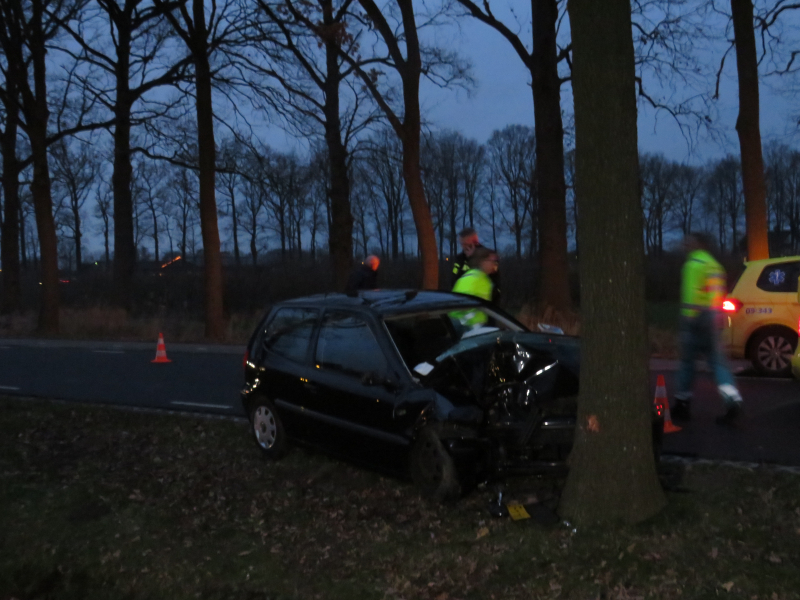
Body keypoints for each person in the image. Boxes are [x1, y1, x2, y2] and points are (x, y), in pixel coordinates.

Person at [673, 233, 744, 425]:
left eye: (687, 242)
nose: (684, 245)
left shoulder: (692, 265)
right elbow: (717, 296)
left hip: (696, 321)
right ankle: (733, 401)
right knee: (718, 364)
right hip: (714, 319)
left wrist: (686, 324)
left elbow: (690, 299)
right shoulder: (715, 266)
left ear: (697, 245)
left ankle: (682, 404)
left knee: (688, 363)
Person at [451, 246, 498, 327]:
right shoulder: (480, 280)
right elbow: (466, 307)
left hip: (459, 324)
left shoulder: (469, 275)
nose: (494, 264)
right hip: (470, 327)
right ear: (483, 261)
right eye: (492, 261)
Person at [452, 228, 501, 305]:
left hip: (486, 302)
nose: (463, 247)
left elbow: (493, 278)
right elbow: (455, 278)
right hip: (463, 301)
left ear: (475, 242)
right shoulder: (460, 259)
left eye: (466, 244)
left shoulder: (488, 256)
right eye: (462, 244)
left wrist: (472, 258)